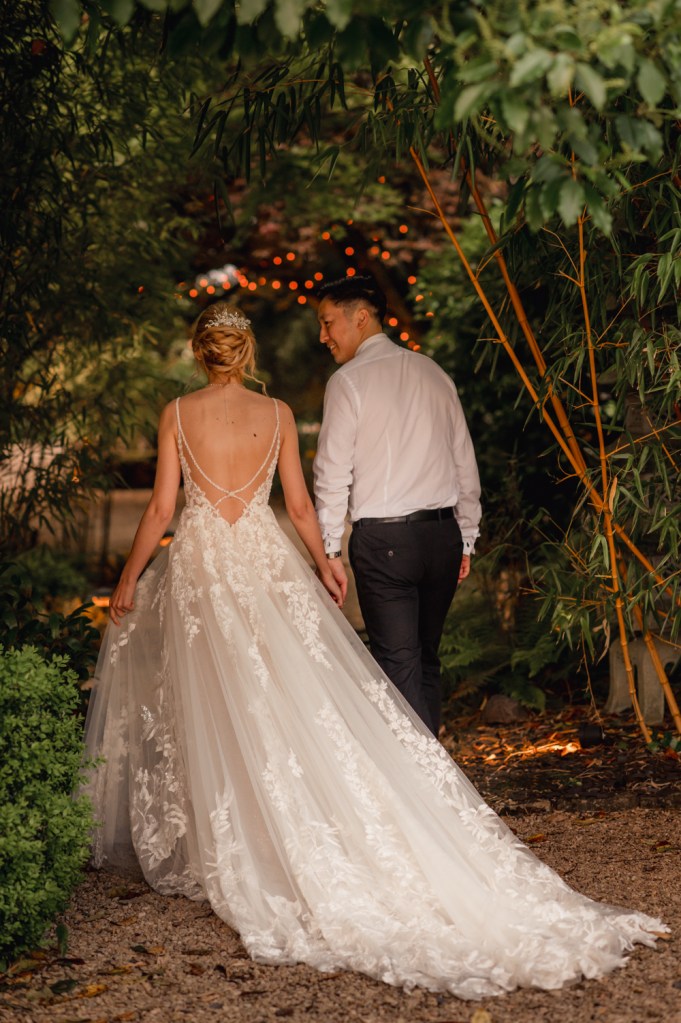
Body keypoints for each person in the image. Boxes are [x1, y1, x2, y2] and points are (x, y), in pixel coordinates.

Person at [84, 302, 665, 1001]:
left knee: (220, 696)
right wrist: (323, 561)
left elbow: (159, 510)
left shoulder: (178, 412)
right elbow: (298, 507)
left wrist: (127, 578)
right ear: (246, 351)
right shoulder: (273, 416)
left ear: (200, 352)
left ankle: (241, 836)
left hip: (206, 567)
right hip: (264, 563)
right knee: (280, 696)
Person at [313, 275, 481, 735]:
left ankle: (428, 792)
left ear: (360, 318)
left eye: (328, 323)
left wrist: (329, 550)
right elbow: (464, 462)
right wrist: (465, 537)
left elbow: (332, 474)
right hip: (442, 537)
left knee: (398, 664)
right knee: (426, 656)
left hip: (386, 541)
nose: (323, 336)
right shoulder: (434, 373)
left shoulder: (348, 382)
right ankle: (438, 778)